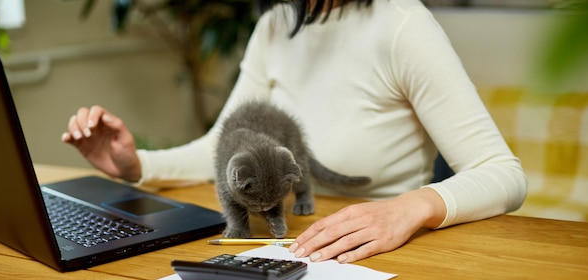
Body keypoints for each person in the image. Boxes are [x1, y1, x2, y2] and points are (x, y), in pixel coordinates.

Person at [62, 0, 527, 263]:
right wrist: (136, 163)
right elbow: (223, 149)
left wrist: (411, 207)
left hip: (383, 255)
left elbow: (503, 173)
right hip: (294, 247)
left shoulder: (404, 26)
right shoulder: (274, 26)